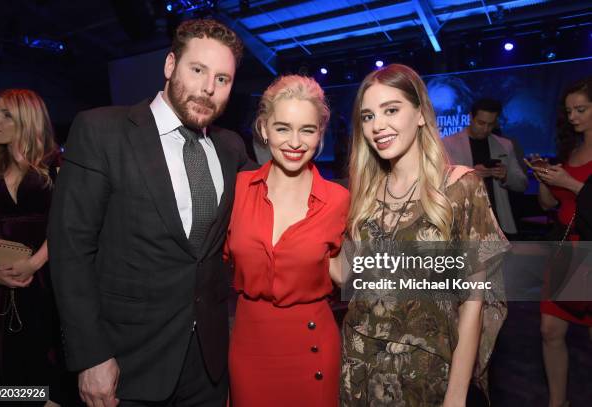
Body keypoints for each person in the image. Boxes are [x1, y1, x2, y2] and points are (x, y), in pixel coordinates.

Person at [48, 19, 252, 406]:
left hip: (207, 366)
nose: (209, 88)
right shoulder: (102, 130)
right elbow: (70, 250)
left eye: (222, 79)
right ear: (170, 66)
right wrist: (90, 356)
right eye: (198, 70)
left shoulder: (230, 148)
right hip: (126, 363)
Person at [340, 64, 508, 406]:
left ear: (420, 114)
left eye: (391, 110)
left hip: (427, 374)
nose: (378, 126)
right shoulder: (365, 193)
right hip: (358, 367)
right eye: (368, 116)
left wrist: (457, 395)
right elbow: (348, 276)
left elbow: (474, 301)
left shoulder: (460, 187)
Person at [224, 75, 349, 407]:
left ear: (320, 134)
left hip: (312, 347)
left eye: (307, 130)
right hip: (250, 348)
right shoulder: (236, 190)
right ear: (264, 129)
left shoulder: (338, 200)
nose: (295, 142)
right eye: (282, 128)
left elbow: (350, 275)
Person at [0, 89, 70, 405]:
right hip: (4, 288)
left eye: (5, 113)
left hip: (50, 280)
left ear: (27, 118)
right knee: (14, 371)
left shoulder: (56, 168)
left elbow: (67, 226)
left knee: (55, 363)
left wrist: (34, 263)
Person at [531, 77, 592, 407]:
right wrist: (544, 179)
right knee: (549, 330)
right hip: (567, 251)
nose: (572, 117)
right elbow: (549, 205)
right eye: (569, 111)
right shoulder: (571, 149)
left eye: (580, 109)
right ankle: (558, 403)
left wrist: (569, 181)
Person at [442, 98, 528, 238]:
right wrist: (470, 176)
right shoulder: (448, 144)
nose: (485, 129)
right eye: (481, 123)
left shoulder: (505, 145)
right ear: (470, 117)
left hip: (498, 221)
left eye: (490, 124)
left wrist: (505, 176)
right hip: (463, 220)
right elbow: (440, 184)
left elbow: (522, 184)